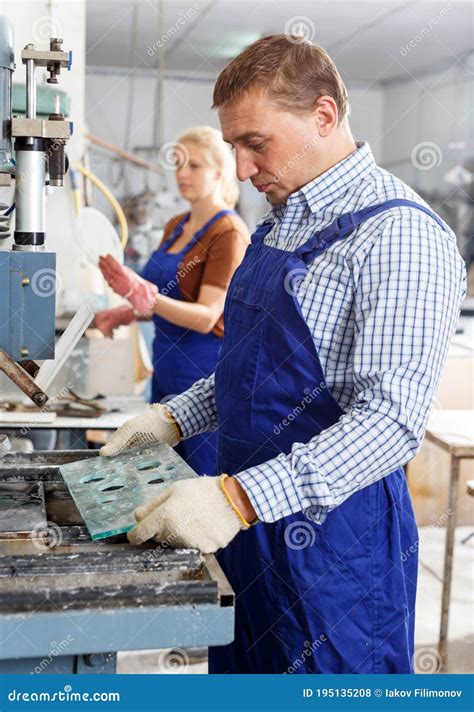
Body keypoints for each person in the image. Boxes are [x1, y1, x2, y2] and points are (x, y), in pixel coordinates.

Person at [102, 36, 466, 673]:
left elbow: (390, 423)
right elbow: (249, 366)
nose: (240, 169)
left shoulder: (400, 234)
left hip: (334, 556)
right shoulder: (281, 221)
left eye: (255, 144)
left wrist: (238, 499)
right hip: (245, 530)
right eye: (233, 146)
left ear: (323, 116)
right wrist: (172, 418)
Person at [95, 126, 249, 475]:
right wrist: (126, 312)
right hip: (165, 371)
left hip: (201, 372)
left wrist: (144, 296)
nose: (182, 174)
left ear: (219, 170)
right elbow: (162, 298)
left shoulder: (229, 233)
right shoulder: (176, 225)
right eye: (178, 165)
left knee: (197, 476)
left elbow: (207, 316)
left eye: (194, 166)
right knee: (161, 472)